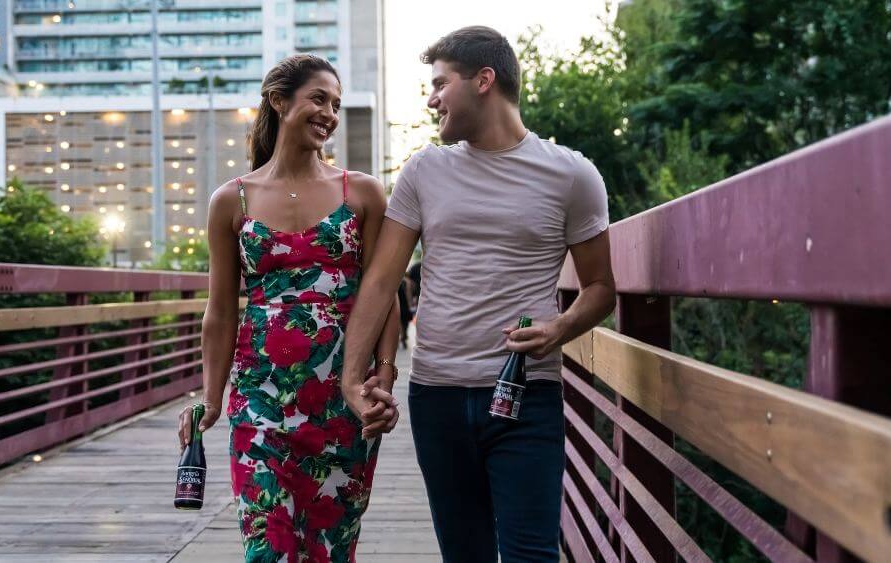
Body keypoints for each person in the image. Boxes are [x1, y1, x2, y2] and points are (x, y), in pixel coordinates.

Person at [340, 27, 616, 562]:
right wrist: (354, 377)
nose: (431, 98)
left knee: (531, 555)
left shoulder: (572, 175)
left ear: (484, 80)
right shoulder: (424, 170)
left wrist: (560, 328)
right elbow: (379, 281)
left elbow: (601, 287)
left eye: (441, 84)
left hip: (525, 397)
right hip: (436, 395)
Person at [177, 54, 400, 562]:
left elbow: (382, 292)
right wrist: (212, 398)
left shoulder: (362, 192)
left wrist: (383, 375)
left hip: (344, 403)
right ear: (279, 101)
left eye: (337, 104)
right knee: (268, 550)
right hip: (259, 403)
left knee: (330, 550)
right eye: (318, 99)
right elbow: (220, 311)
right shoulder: (231, 200)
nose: (330, 113)